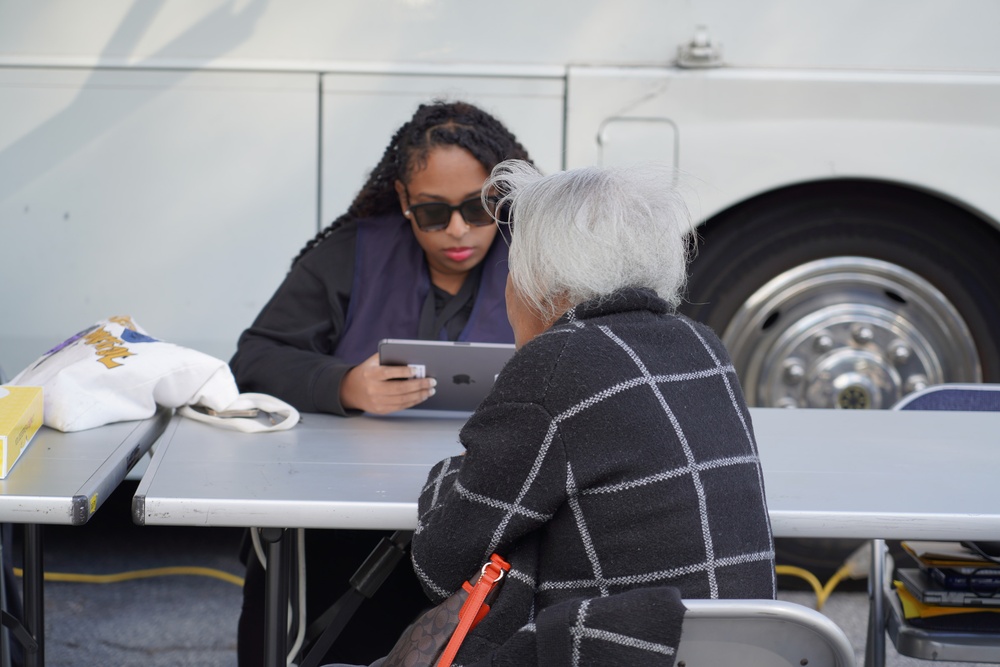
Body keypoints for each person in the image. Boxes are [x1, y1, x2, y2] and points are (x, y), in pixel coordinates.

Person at [326, 160, 776, 667]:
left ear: (545, 278)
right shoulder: (703, 345)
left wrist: (447, 472)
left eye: (513, 267)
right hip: (746, 651)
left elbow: (438, 562)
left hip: (616, 652)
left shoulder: (557, 364)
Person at [229, 101, 533, 666]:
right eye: (434, 214)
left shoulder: (537, 261)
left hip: (483, 511)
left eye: (478, 209)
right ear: (402, 201)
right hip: (342, 515)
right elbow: (255, 356)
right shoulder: (353, 252)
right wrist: (342, 385)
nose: (460, 231)